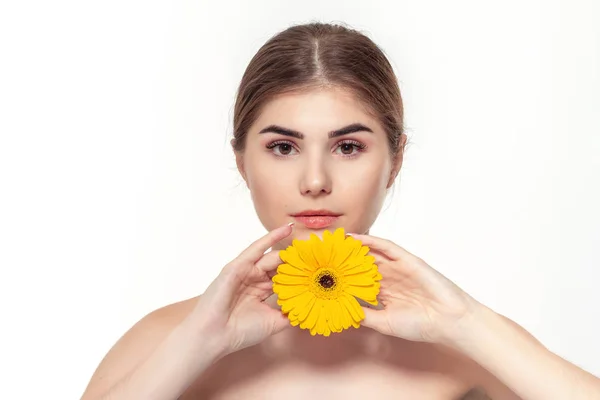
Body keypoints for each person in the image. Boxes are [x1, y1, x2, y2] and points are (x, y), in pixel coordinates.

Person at [80, 22, 600, 400]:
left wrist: (467, 323)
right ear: (242, 162)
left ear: (394, 161)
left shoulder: (469, 343)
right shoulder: (165, 341)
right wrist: (196, 344)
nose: (314, 182)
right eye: (283, 147)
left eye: (348, 147)